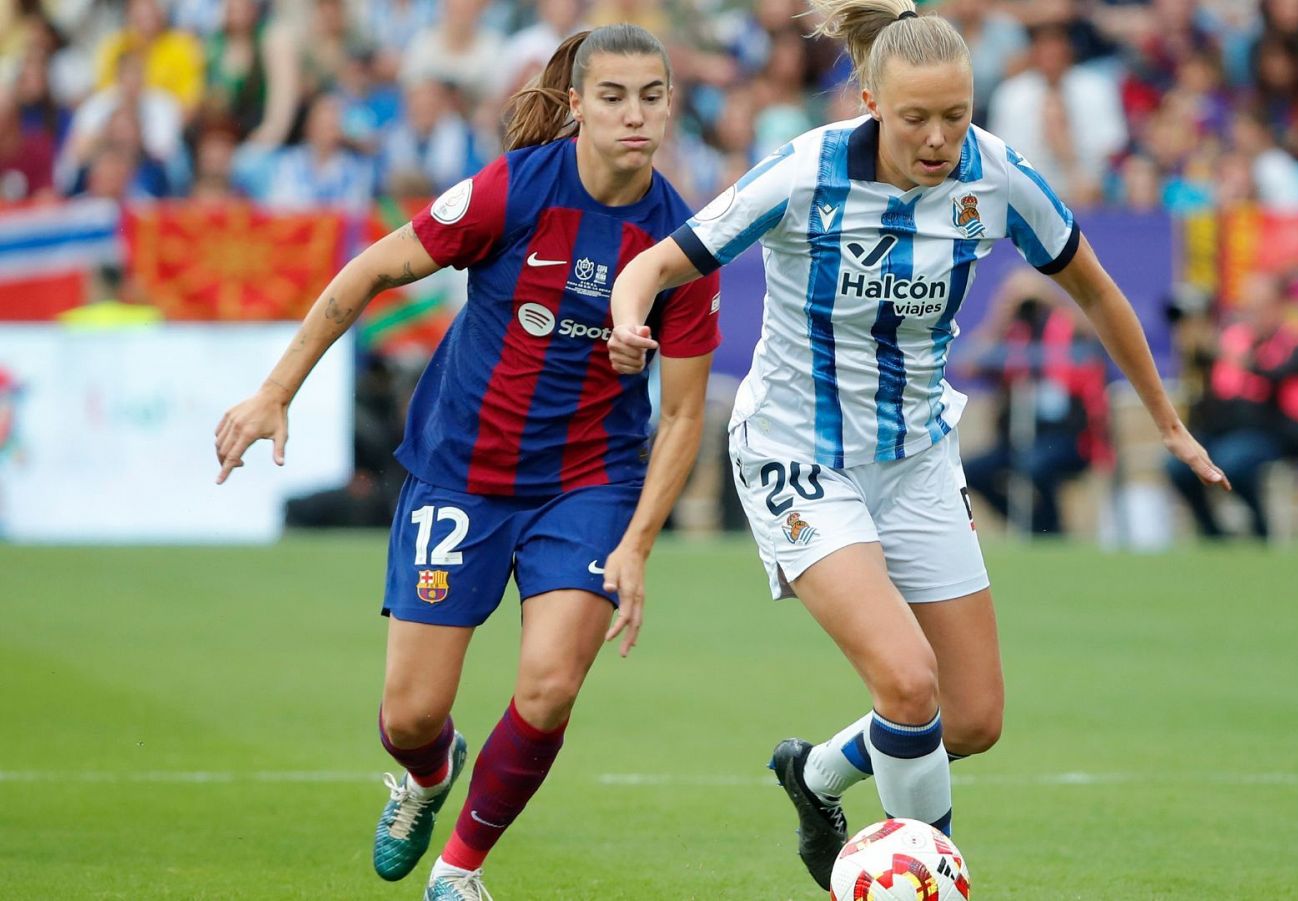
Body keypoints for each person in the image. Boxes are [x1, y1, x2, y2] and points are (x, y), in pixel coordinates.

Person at [602, 0, 1227, 889]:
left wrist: (1166, 419)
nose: (939, 139)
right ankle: (931, 879)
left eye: (957, 115)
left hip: (919, 455)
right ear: (867, 101)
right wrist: (629, 323)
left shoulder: (996, 177)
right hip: (798, 454)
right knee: (907, 685)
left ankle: (816, 775)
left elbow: (1096, 289)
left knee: (969, 719)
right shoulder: (806, 172)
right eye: (915, 118)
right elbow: (656, 265)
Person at [212, 25, 720, 901]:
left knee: (552, 684)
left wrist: (636, 542)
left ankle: (459, 871)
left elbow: (680, 415)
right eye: (613, 96)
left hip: (587, 483)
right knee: (409, 714)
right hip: (461, 470)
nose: (634, 114)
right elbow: (370, 270)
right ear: (576, 107)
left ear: (670, 104)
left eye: (651, 96)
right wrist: (274, 390)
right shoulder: (513, 191)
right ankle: (430, 770)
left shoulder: (683, 241)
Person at [961, 267, 1112, 536]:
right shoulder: (1012, 333)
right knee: (970, 471)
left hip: (1069, 439)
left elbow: (1101, 336)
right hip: (1017, 440)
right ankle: (1035, 528)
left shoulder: (1069, 328)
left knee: (1036, 464)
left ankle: (1052, 532)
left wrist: (1049, 296)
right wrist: (1003, 311)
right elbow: (968, 365)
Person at [1167, 274, 1298, 541]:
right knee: (1179, 464)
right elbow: (1214, 392)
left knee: (1231, 462)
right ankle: (1212, 532)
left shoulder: (1295, 344)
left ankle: (1260, 528)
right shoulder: (1235, 338)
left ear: (1281, 306)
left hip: (1274, 434)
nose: (1254, 314)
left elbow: (1278, 375)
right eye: (1250, 306)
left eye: (1263, 306)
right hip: (1228, 432)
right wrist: (1196, 351)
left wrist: (1237, 359)